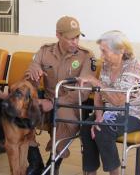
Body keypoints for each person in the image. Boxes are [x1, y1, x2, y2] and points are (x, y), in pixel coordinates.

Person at [25, 16, 95, 175]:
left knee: (63, 117)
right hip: (47, 99)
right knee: (22, 113)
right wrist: (33, 69)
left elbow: (83, 92)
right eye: (70, 38)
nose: (75, 42)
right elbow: (33, 65)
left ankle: (53, 165)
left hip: (71, 105)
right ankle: (34, 160)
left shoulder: (86, 56)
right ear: (58, 35)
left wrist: (53, 102)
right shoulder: (45, 51)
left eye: (77, 37)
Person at [79, 30, 140, 175]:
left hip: (137, 115)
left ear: (120, 50)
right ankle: (90, 172)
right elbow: (99, 95)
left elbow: (119, 100)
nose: (101, 56)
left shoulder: (133, 67)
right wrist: (98, 116)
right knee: (87, 128)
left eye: (104, 52)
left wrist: (95, 82)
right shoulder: (107, 65)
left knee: (104, 130)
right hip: (111, 112)